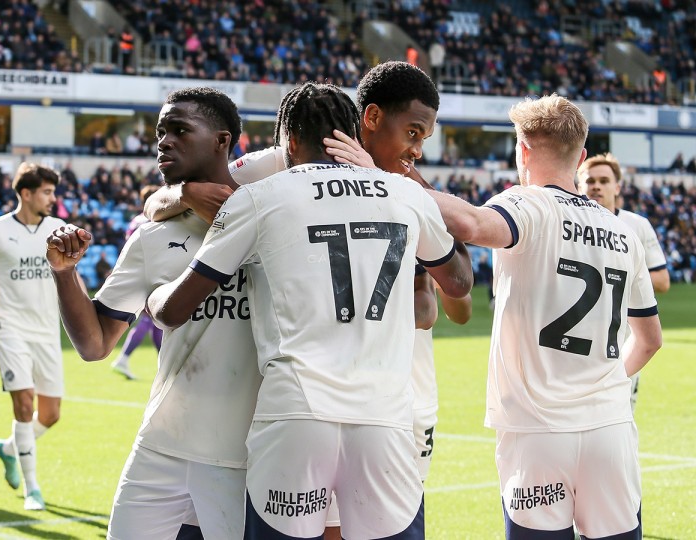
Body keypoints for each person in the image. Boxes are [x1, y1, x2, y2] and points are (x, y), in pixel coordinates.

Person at [146, 82, 473, 539]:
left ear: (290, 140)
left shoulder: (261, 195)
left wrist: (154, 297)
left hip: (295, 414)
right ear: (357, 132)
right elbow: (458, 282)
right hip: (385, 415)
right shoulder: (404, 194)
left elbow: (173, 310)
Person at [399, 95, 661, 538]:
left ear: (521, 151)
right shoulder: (624, 231)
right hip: (610, 428)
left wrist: (393, 179)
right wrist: (611, 381)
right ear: (580, 158)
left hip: (537, 431)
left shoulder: (527, 204)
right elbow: (650, 339)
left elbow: (474, 225)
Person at [45, 87, 260, 539]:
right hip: (161, 445)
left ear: (223, 140)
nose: (163, 141)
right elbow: (95, 343)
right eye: (160, 132)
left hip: (245, 454)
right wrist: (65, 275)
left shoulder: (270, 216)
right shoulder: (151, 237)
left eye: (180, 130)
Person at [0, 162, 68, 511]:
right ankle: (32, 488)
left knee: (50, 413)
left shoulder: (58, 230)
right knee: (24, 404)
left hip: (46, 330)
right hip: (9, 329)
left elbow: (71, 279)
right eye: (47, 192)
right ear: (26, 194)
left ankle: (9, 448)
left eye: (53, 192)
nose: (52, 198)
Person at [577, 152, 669, 412]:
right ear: (578, 186)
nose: (596, 185)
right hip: (572, 344)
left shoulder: (636, 226)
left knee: (617, 420)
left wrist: (609, 275)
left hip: (621, 345)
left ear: (617, 187)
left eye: (604, 180)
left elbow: (661, 281)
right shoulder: (567, 224)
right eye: (590, 180)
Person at [110, 185, 164, 381]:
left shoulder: (135, 221)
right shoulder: (154, 221)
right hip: (151, 275)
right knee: (153, 319)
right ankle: (126, 359)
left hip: (136, 274)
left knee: (154, 322)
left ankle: (161, 366)